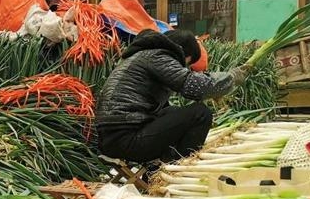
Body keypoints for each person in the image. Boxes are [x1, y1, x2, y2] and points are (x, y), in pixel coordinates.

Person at [95, 29, 251, 164]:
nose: (186, 67)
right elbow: (194, 86)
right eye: (188, 63)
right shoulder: (158, 57)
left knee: (172, 111)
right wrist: (231, 78)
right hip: (126, 139)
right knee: (200, 113)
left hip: (111, 139)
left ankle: (156, 170)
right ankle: (176, 169)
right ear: (183, 53)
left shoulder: (141, 56)